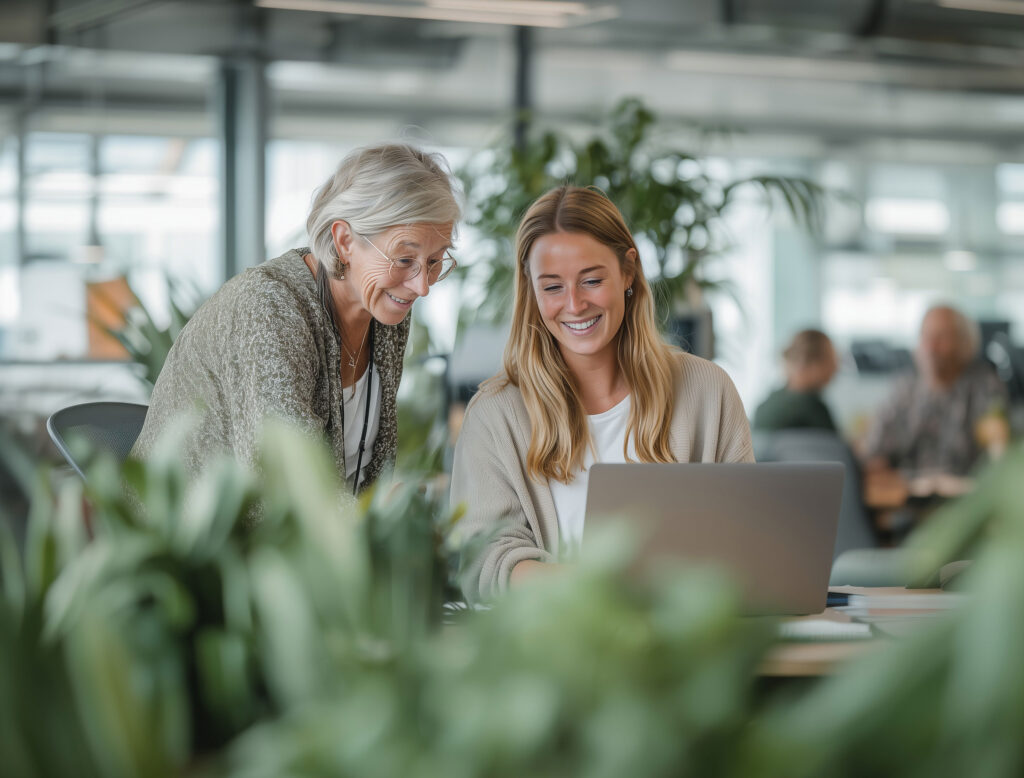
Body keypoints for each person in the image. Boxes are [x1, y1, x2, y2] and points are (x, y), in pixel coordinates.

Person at [450, 186, 754, 602]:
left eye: (591, 281)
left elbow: (745, 540)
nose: (575, 305)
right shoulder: (495, 415)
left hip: (687, 636)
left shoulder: (707, 391)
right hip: (557, 637)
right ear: (531, 289)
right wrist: (601, 590)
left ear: (628, 271)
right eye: (552, 287)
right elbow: (482, 562)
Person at [132, 143, 460, 497]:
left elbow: (367, 475)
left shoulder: (383, 306)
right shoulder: (268, 307)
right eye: (405, 259)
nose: (422, 286)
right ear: (345, 240)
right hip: (186, 528)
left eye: (434, 261)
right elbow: (282, 492)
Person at [863, 304, 1007, 478]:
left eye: (942, 337)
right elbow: (875, 452)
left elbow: (999, 456)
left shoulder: (986, 387)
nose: (931, 347)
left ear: (966, 343)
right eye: (926, 336)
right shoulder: (905, 388)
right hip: (906, 489)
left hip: (967, 490)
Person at [753, 328, 839, 433]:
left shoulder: (766, 405)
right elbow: (833, 443)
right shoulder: (813, 408)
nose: (835, 368)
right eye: (832, 359)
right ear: (813, 365)